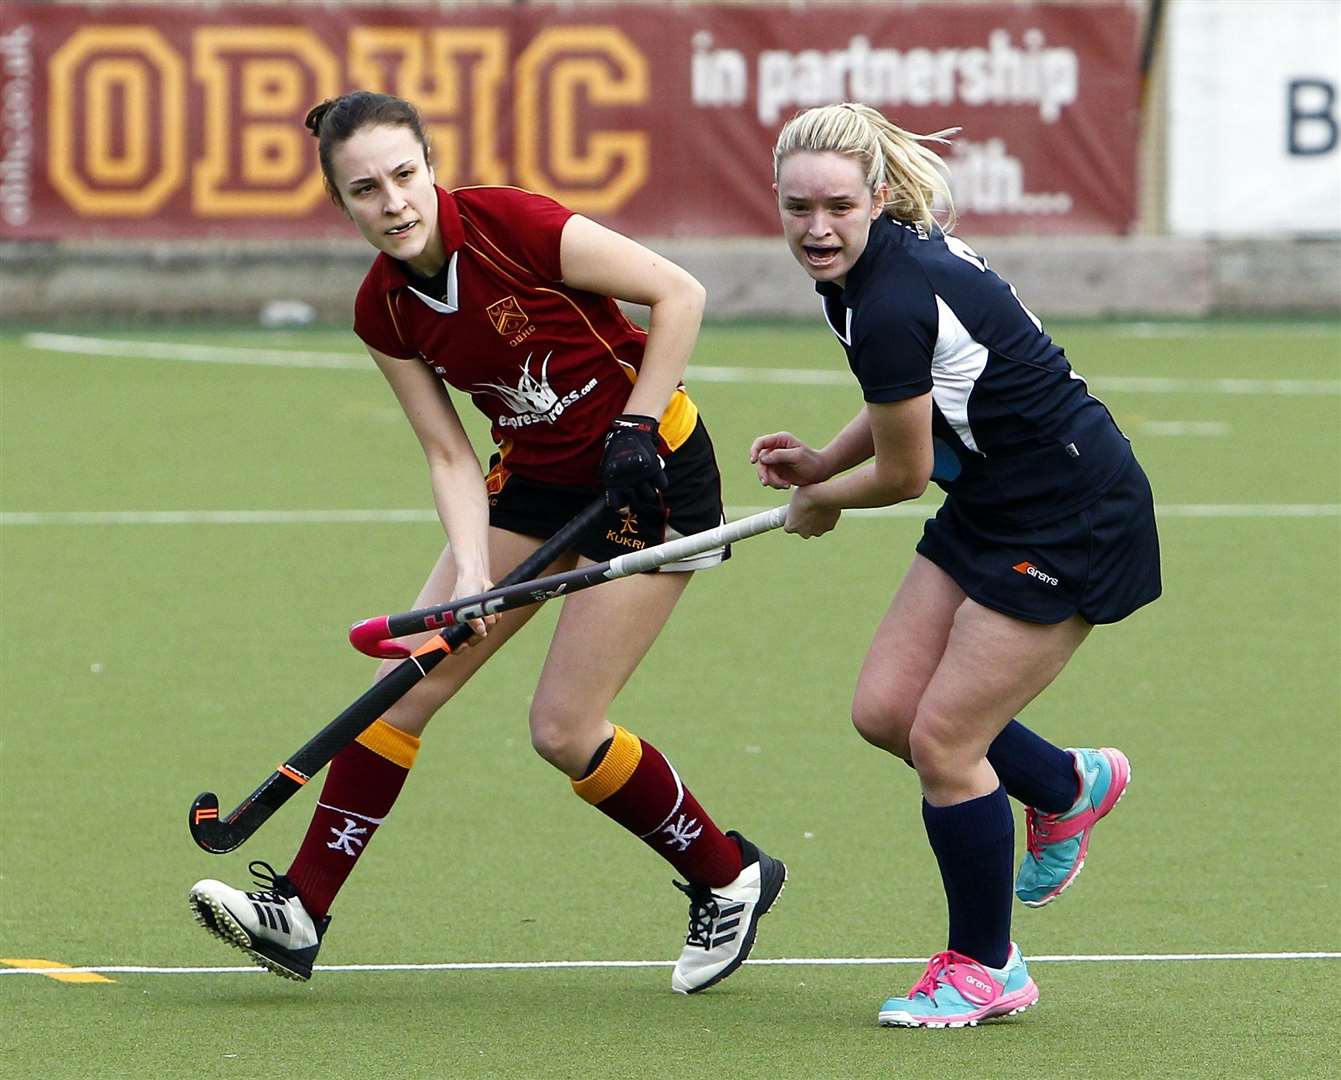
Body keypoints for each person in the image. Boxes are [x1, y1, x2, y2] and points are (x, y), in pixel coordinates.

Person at [188, 90, 786, 994]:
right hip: (537, 484)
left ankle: (727, 874)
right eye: (365, 190)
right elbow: (447, 451)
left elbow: (678, 292)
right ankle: (301, 913)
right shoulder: (383, 309)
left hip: (650, 473)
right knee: (400, 685)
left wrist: (634, 423)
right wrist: (468, 572)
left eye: (403, 176)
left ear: (431, 166)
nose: (392, 202)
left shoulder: (512, 223)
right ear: (340, 204)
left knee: (561, 728)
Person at [752, 102, 1159, 1027]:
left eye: (836, 208)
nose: (816, 229)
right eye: (796, 208)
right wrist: (820, 460)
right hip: (992, 497)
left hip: (1069, 515)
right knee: (887, 711)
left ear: (877, 198)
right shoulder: (864, 271)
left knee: (944, 743)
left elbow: (899, 476)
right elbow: (905, 390)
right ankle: (1064, 785)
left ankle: (986, 969)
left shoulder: (890, 290)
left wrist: (823, 502)